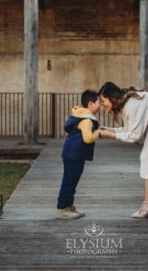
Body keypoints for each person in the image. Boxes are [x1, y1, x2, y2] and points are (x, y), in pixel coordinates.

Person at [98, 81, 148, 219]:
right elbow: (129, 129)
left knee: (147, 158)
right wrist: (106, 129)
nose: (102, 105)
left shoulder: (131, 105)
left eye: (103, 100)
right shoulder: (125, 104)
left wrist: (109, 134)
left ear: (111, 97)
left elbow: (134, 136)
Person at [56, 89, 100, 220]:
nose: (101, 105)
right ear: (91, 104)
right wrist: (99, 132)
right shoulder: (87, 120)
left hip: (72, 154)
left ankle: (68, 206)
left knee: (71, 181)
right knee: (69, 182)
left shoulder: (80, 116)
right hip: (74, 155)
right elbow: (88, 138)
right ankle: (62, 209)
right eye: (99, 102)